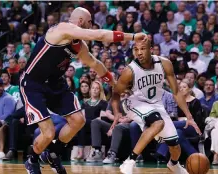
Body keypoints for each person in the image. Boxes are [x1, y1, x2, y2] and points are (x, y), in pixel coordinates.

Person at [21, 7, 147, 174]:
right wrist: (132, 37)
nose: (90, 26)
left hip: (55, 84)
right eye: (89, 23)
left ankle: (52, 153)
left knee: (78, 120)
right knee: (49, 132)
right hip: (34, 84)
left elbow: (95, 64)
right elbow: (100, 35)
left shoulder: (79, 46)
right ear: (80, 22)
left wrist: (114, 83)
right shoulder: (62, 29)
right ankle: (32, 159)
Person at [111, 39, 201, 174]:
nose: (139, 53)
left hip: (156, 105)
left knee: (175, 146)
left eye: (142, 49)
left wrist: (189, 116)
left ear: (151, 49)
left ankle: (173, 164)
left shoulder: (165, 64)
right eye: (136, 50)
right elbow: (116, 93)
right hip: (135, 102)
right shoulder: (130, 71)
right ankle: (130, 160)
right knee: (158, 123)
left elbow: (176, 92)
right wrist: (116, 112)